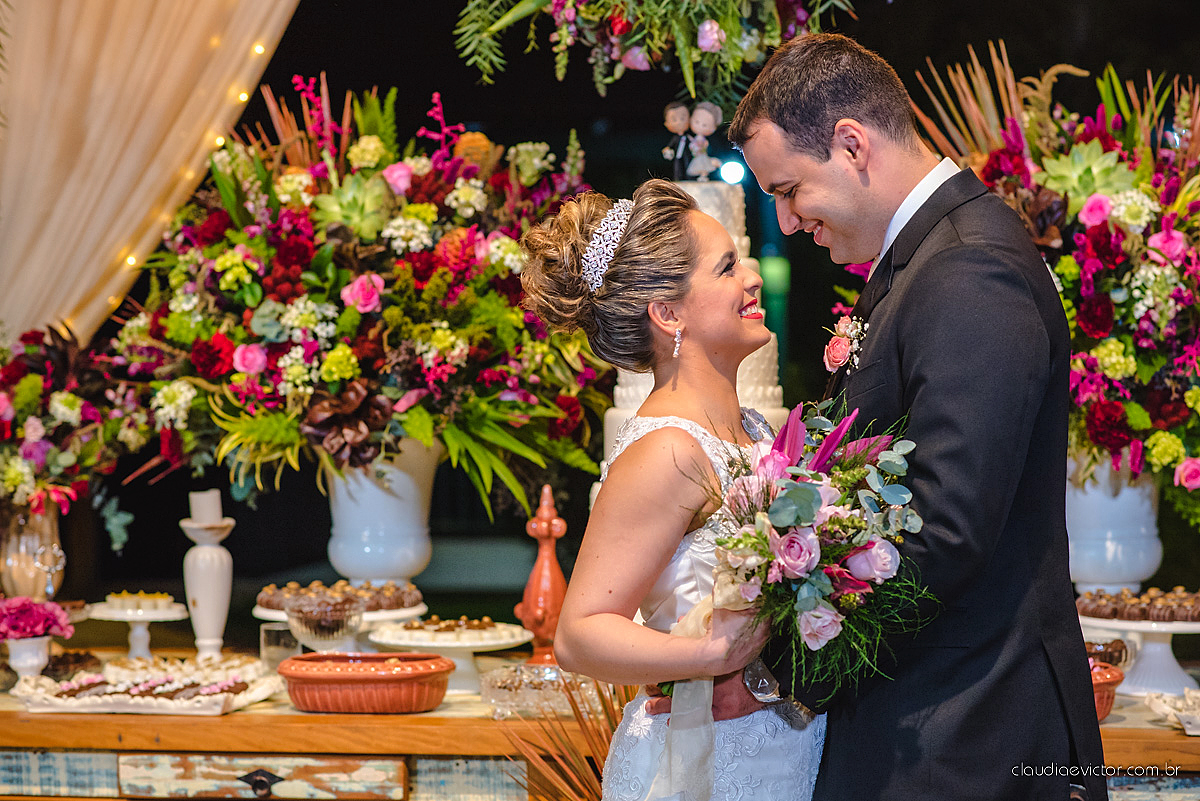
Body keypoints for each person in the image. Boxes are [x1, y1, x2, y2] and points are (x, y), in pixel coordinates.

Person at [721, 32, 1107, 800]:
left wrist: (778, 678)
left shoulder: (968, 269)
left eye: (789, 189)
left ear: (852, 143)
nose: (789, 222)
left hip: (971, 734)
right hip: (938, 726)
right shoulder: (922, 262)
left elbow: (945, 527)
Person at [521, 178, 826, 801]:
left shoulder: (754, 429)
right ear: (668, 313)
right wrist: (712, 656)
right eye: (726, 268)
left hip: (780, 747)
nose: (750, 278)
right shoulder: (669, 451)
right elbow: (580, 634)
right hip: (700, 764)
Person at [662, 101, 693, 181]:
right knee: (677, 168)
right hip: (677, 156)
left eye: (682, 118)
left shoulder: (688, 137)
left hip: (687, 155)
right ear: (667, 124)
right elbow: (670, 146)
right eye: (674, 120)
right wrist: (667, 149)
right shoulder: (675, 138)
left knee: (688, 166)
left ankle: (689, 178)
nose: (679, 122)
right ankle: (678, 178)